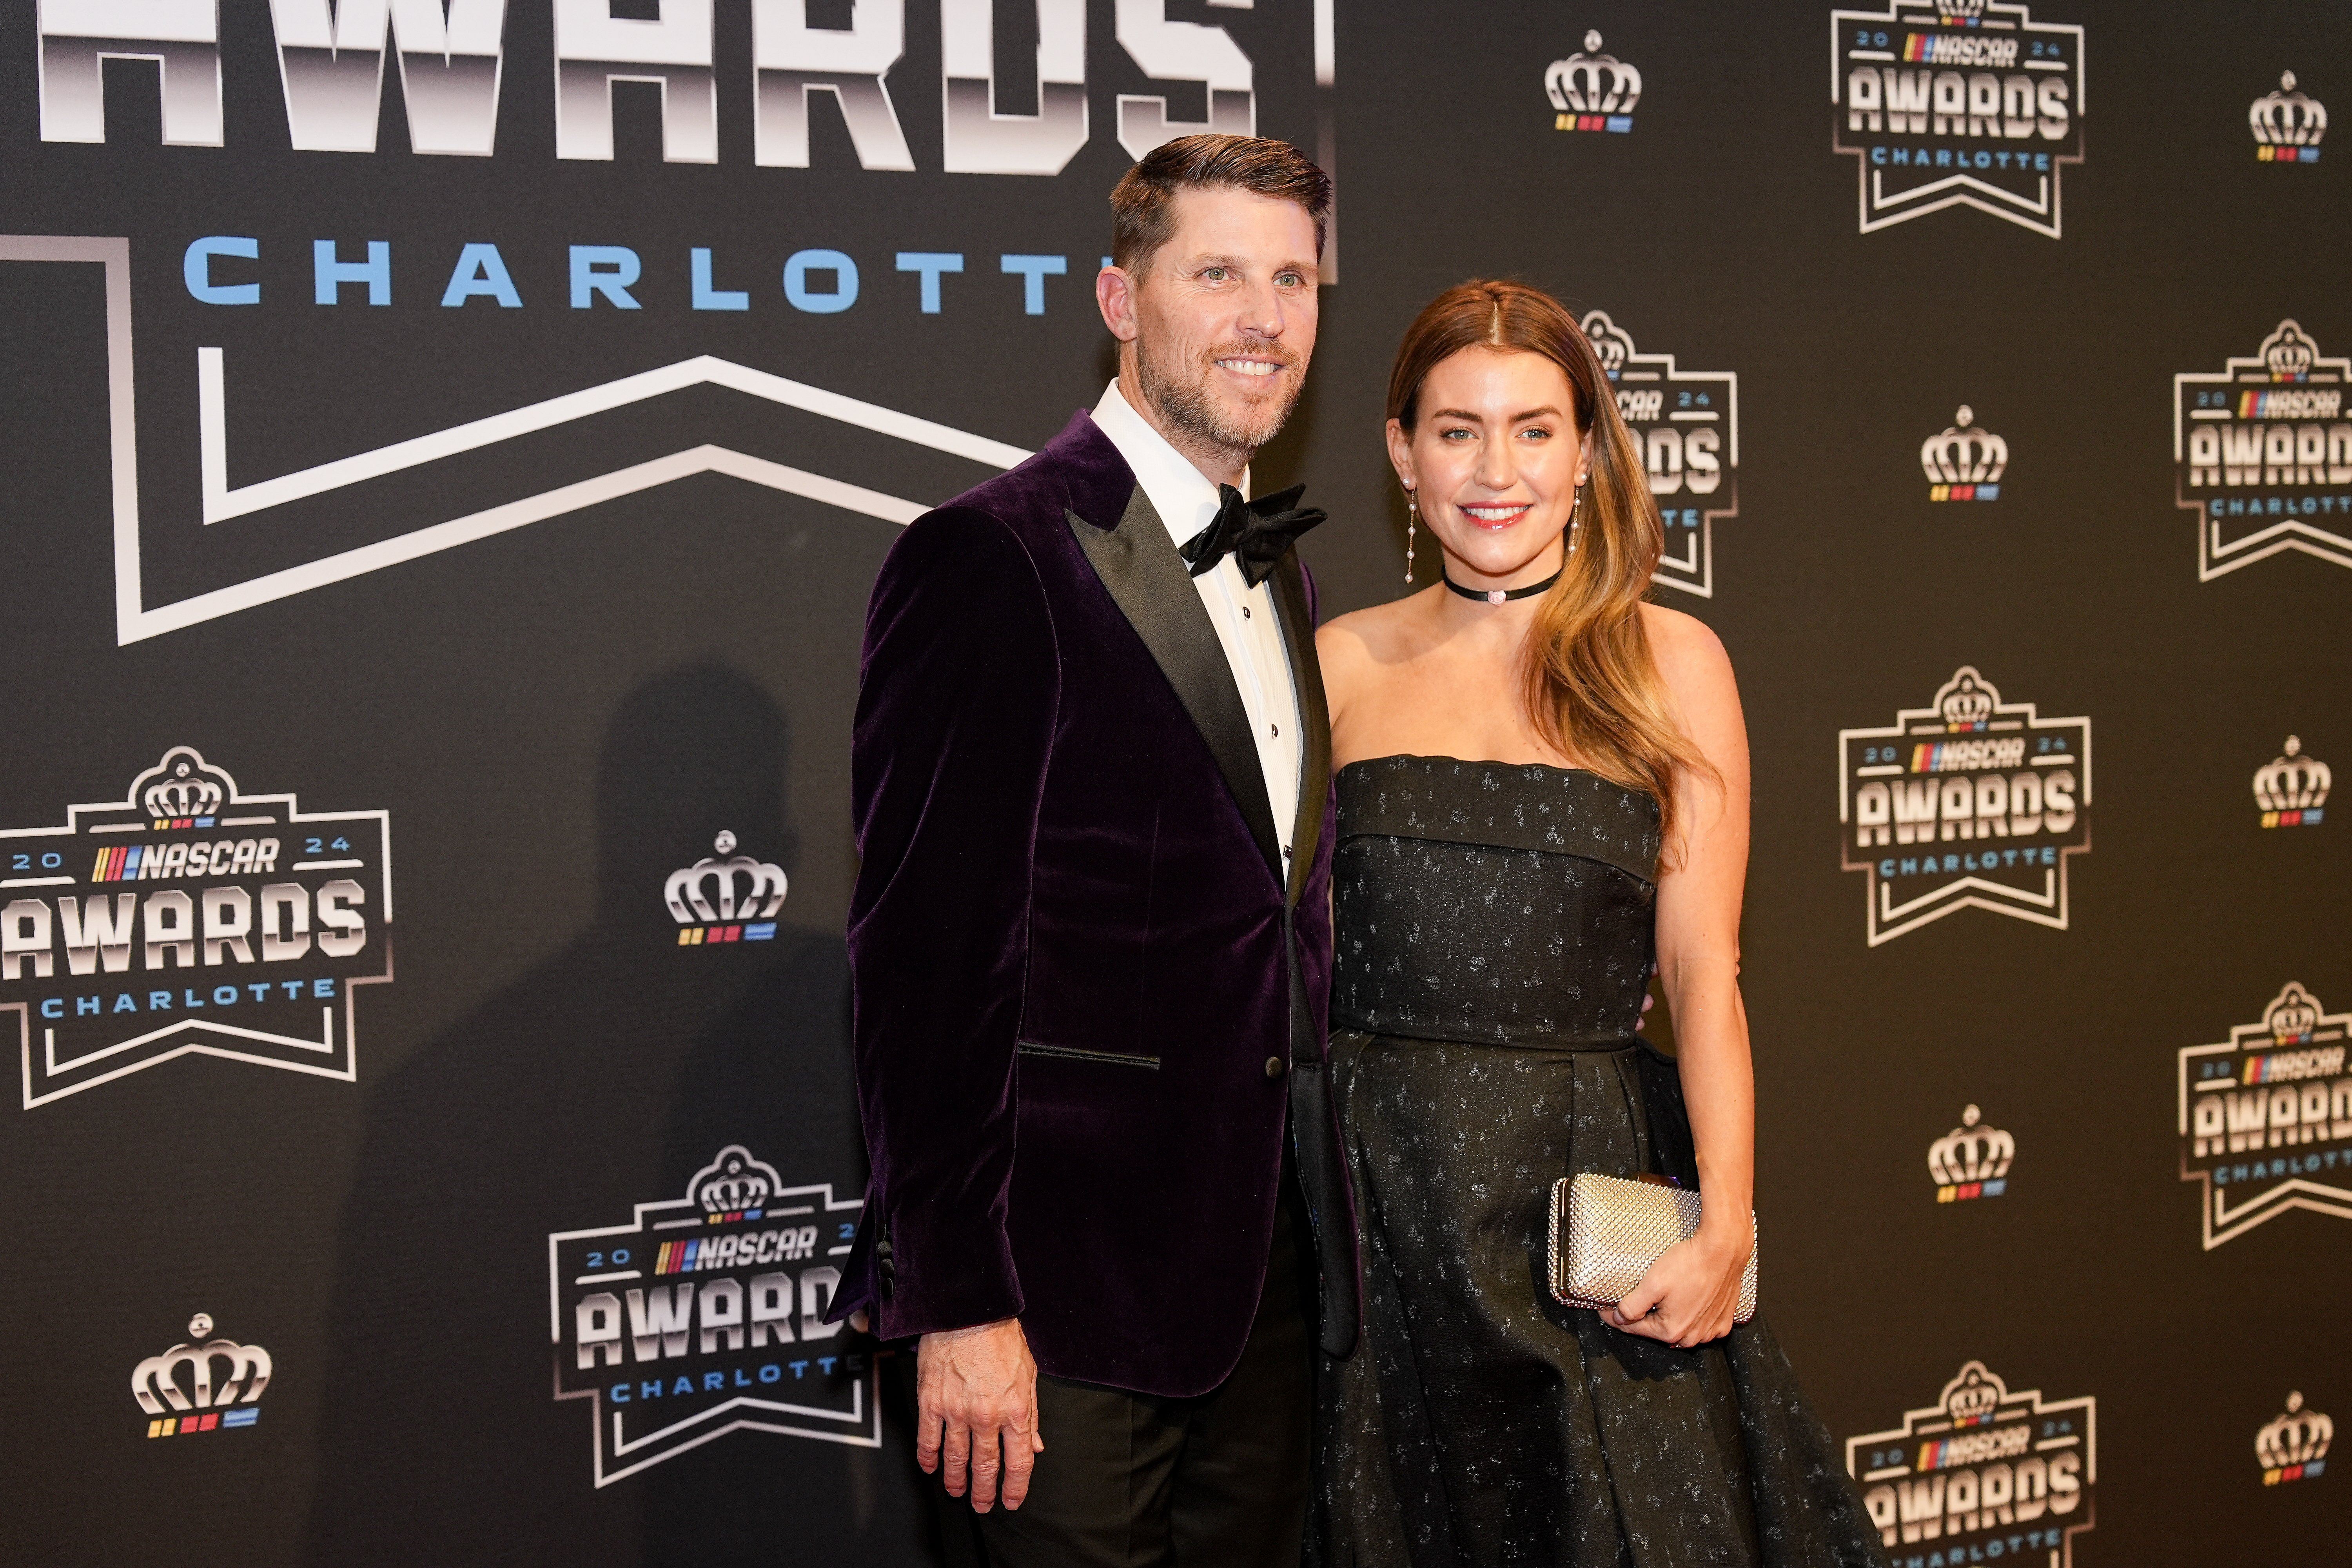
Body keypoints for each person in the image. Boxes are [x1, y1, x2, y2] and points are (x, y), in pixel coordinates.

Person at [831, 134, 1358, 1567]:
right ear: (1122, 302)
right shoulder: (990, 558)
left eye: (1294, 278)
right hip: (1057, 1318)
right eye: (1219, 274)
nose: (1264, 316)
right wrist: (959, 1303)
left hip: (1264, 1289)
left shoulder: (1285, 568)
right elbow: (924, 975)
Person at [1309, 280, 1887, 1567]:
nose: (1494, 469)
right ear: (1403, 451)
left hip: (1581, 1215)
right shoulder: (1338, 661)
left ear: (1586, 454)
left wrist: (1728, 1217)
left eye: (1533, 429)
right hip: (1374, 1208)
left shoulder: (1672, 661)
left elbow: (1703, 969)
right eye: (1457, 430)